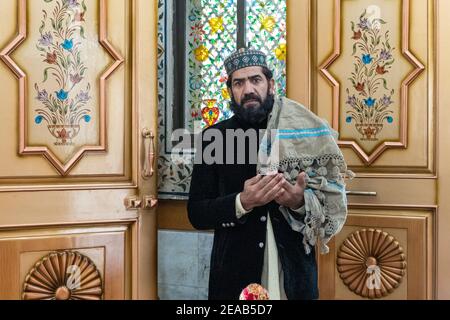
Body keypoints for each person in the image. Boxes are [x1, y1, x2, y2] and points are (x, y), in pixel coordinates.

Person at [188, 48, 334, 300]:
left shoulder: (299, 133)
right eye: (238, 83)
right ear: (230, 91)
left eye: (255, 80)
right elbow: (197, 213)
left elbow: (327, 206)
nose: (247, 90)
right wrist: (241, 202)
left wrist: (298, 203)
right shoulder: (214, 138)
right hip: (235, 276)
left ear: (271, 84)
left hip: (294, 274)